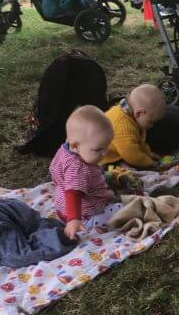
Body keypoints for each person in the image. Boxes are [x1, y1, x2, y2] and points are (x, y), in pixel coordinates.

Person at [51, 106, 118, 240]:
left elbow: (55, 174)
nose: (105, 153)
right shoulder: (79, 168)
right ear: (75, 145)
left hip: (61, 208)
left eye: (107, 146)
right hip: (84, 216)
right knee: (121, 209)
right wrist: (74, 219)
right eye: (98, 149)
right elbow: (73, 193)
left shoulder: (64, 150)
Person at [100, 84, 168, 169]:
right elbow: (131, 154)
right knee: (128, 171)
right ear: (139, 113)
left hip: (120, 152)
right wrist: (150, 163)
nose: (152, 126)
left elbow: (138, 142)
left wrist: (149, 154)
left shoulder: (129, 114)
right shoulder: (122, 126)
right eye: (151, 122)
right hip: (105, 159)